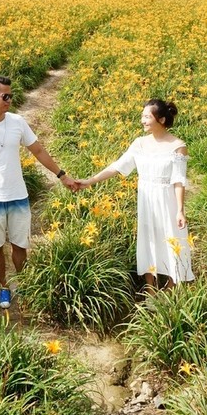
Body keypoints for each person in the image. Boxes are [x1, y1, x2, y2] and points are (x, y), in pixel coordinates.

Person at [0, 75, 78, 308]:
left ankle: (23, 284)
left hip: (18, 195)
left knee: (20, 245)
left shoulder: (17, 122)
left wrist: (62, 175)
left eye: (11, 96)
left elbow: (39, 151)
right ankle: (4, 287)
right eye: (5, 96)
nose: (10, 100)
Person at [79, 98, 194, 294]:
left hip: (167, 202)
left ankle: (171, 287)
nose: (142, 120)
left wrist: (180, 210)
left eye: (147, 117)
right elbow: (118, 166)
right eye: (142, 116)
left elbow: (178, 180)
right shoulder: (139, 143)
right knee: (148, 239)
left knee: (172, 238)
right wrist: (90, 181)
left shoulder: (177, 146)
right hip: (146, 201)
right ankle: (150, 288)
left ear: (162, 120)